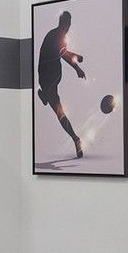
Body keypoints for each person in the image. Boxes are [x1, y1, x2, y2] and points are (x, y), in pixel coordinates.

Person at [35, 10, 88, 159]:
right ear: (63, 23)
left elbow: (62, 52)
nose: (68, 27)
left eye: (69, 24)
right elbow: (63, 54)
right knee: (60, 114)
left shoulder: (57, 36)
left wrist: (76, 56)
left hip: (51, 77)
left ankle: (75, 139)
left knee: (60, 112)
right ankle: (44, 95)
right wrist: (77, 67)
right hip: (48, 76)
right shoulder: (55, 35)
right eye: (67, 24)